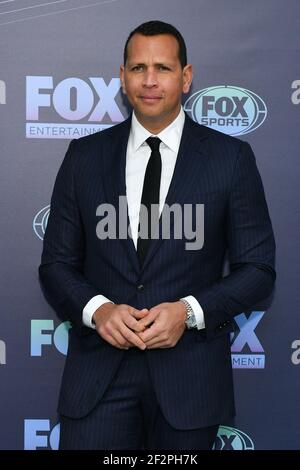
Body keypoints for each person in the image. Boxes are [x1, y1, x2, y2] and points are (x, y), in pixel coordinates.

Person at [39, 20, 276, 450]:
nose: (149, 81)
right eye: (138, 68)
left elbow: (258, 269)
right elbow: (56, 264)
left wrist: (187, 312)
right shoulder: (83, 157)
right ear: (122, 78)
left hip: (190, 383)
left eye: (163, 68)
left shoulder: (231, 159)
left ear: (186, 78)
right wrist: (99, 310)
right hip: (99, 381)